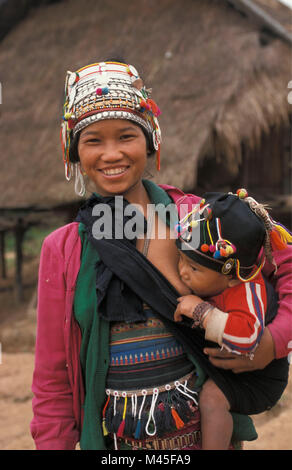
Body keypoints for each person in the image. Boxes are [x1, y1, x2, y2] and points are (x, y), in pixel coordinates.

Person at [30, 60, 292, 450]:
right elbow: (52, 382)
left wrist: (271, 341)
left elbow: (284, 266)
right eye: (93, 140)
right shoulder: (65, 249)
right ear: (73, 152)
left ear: (151, 140)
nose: (111, 153)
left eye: (125, 136)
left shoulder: (197, 217)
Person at [173, 190, 291, 449]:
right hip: (232, 359)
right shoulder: (218, 275)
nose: (182, 272)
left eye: (193, 268)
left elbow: (248, 338)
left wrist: (201, 311)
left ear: (232, 278)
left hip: (260, 375)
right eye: (180, 259)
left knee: (212, 400)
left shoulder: (245, 291)